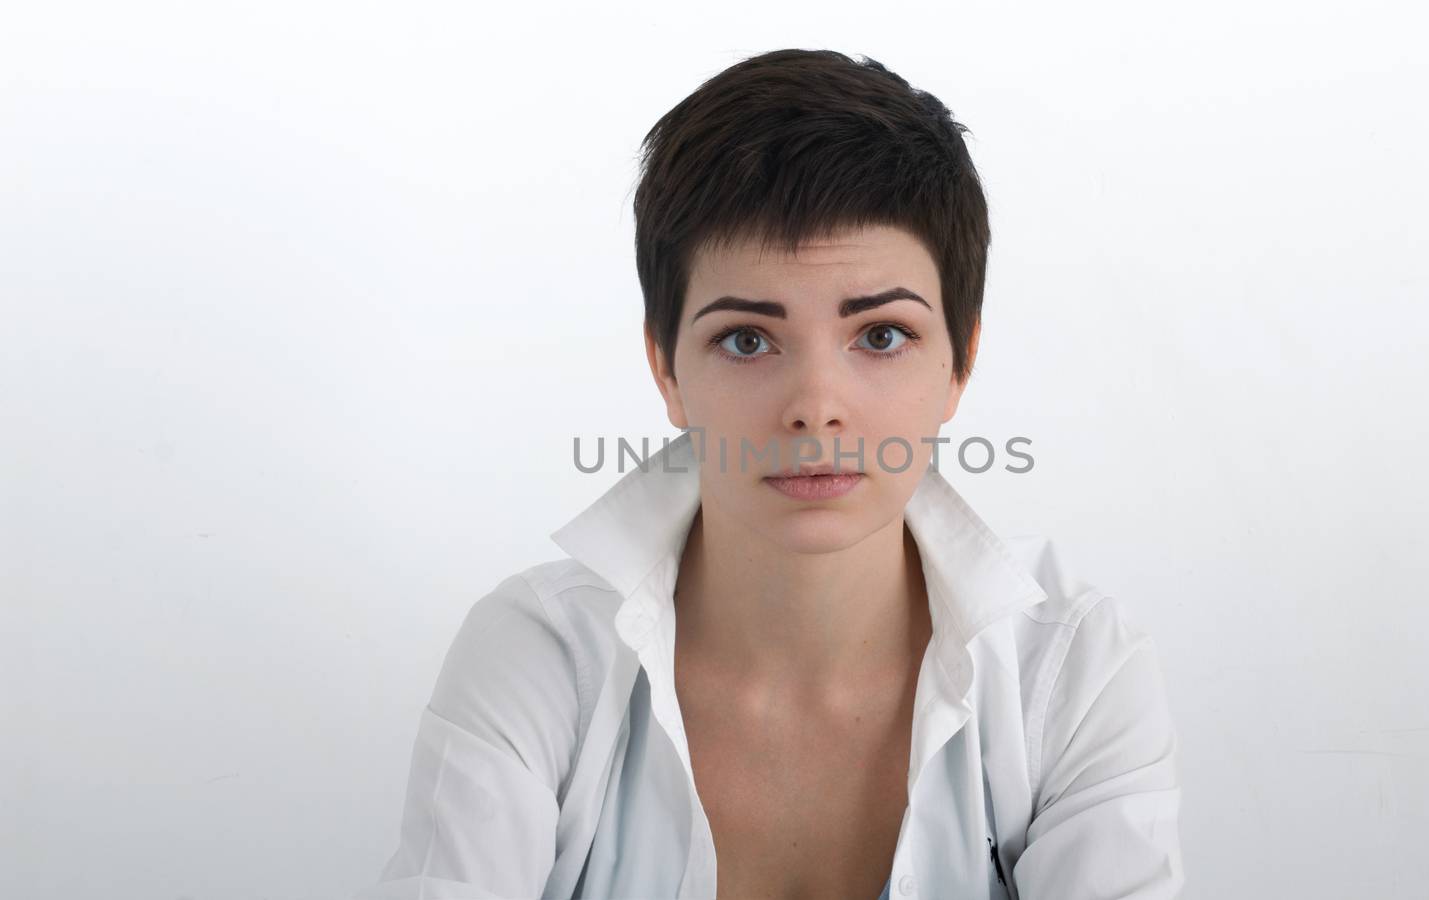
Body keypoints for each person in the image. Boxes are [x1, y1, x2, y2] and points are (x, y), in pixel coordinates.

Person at [356, 48, 1183, 900]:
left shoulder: (1075, 670)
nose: (815, 407)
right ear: (666, 369)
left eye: (881, 335)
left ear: (960, 363)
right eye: (748, 340)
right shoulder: (538, 658)